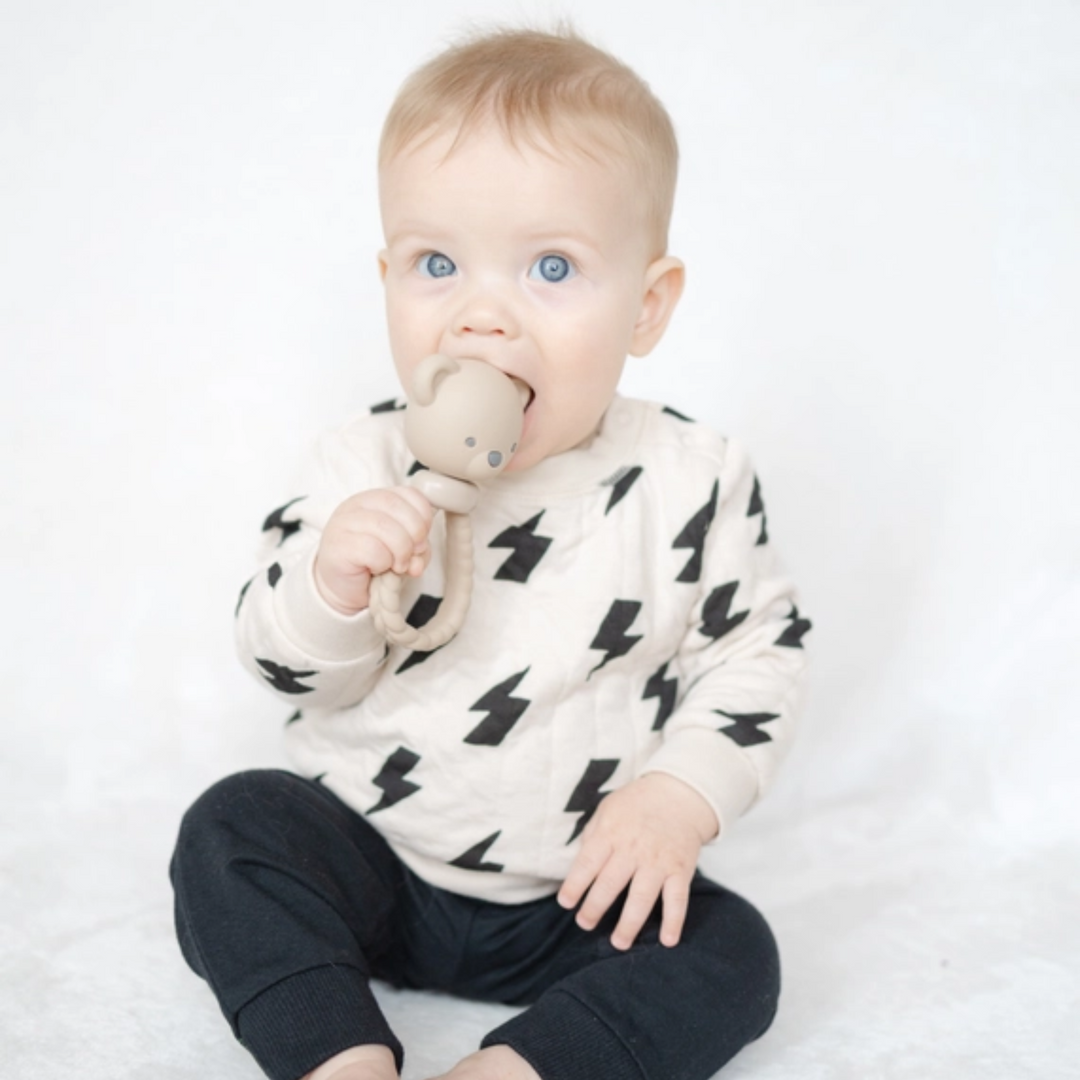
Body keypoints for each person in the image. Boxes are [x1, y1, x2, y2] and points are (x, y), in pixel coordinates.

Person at [170, 26, 812, 1080]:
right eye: (435, 264)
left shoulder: (692, 477)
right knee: (233, 828)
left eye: (551, 268)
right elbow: (281, 663)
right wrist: (332, 585)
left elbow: (759, 656)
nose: (480, 316)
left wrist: (676, 798)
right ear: (385, 278)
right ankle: (337, 1054)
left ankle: (522, 1068)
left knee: (735, 953)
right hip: (375, 856)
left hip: (575, 891)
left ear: (646, 306)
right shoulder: (361, 460)